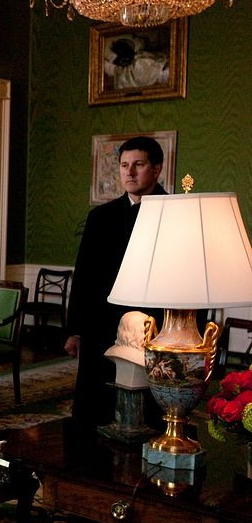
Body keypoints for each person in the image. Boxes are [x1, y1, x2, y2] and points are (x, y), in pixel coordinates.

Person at [64, 135, 168, 426]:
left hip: (153, 326)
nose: (129, 173)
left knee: (149, 409)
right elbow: (83, 276)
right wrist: (75, 330)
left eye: (138, 165)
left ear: (157, 168)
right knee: (94, 407)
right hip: (101, 326)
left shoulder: (174, 212)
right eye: (124, 165)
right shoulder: (100, 217)